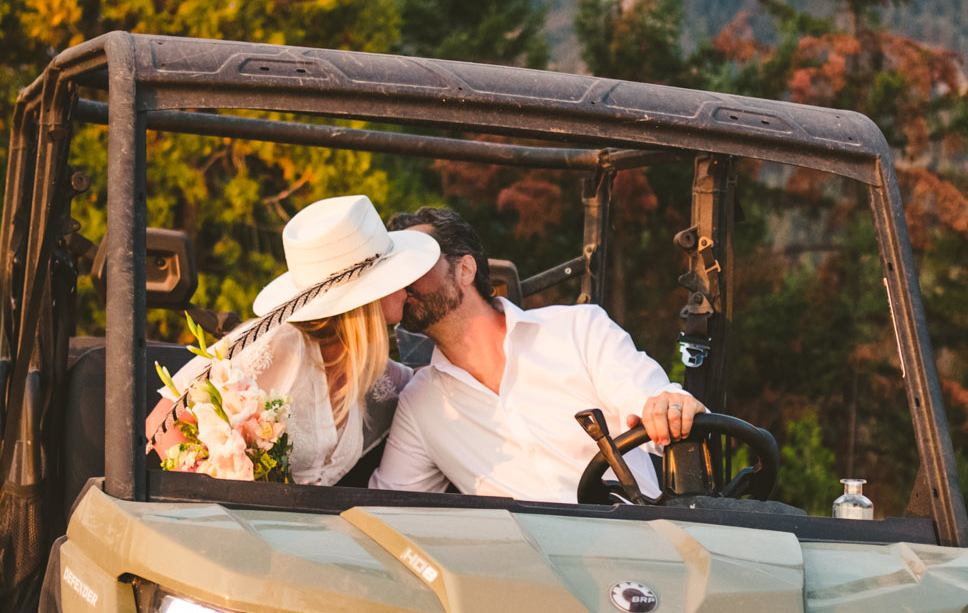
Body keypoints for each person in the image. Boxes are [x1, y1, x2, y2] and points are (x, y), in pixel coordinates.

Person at [370, 206, 704, 501]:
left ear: (465, 269)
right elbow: (387, 512)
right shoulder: (419, 404)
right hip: (524, 569)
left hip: (638, 551)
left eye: (417, 261)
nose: (402, 280)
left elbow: (647, 396)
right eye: (394, 269)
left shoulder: (578, 329)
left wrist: (669, 405)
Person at [148, 194, 437, 485]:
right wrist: (218, 490)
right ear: (366, 295)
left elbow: (430, 385)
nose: (408, 285)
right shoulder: (280, 342)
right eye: (393, 273)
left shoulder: (368, 370)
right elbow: (161, 422)